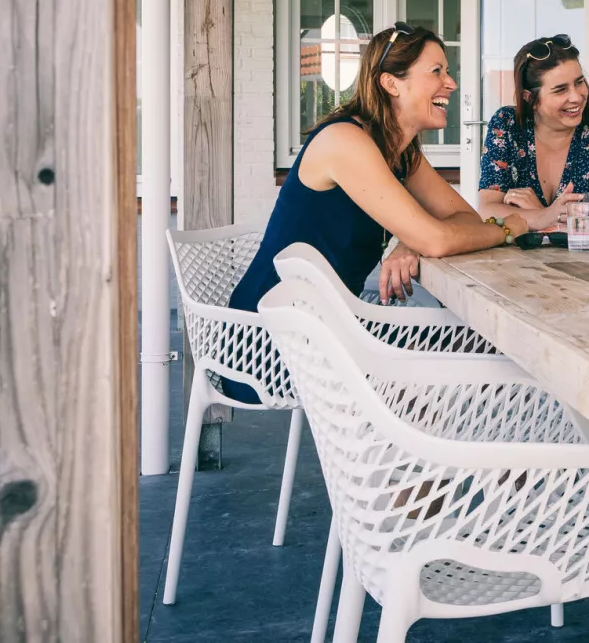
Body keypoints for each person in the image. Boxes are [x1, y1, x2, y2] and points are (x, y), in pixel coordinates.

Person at [226, 22, 529, 401]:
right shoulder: (345, 141)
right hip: (269, 343)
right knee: (461, 357)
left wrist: (409, 241)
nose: (450, 83)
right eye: (436, 72)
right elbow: (439, 237)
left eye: (447, 72)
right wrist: (506, 228)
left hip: (333, 328)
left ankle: (438, 454)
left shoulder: (400, 152)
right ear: (391, 84)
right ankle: (431, 455)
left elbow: (462, 220)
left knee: (469, 346)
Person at [477, 34, 589, 231]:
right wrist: (544, 216)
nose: (576, 97)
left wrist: (565, 214)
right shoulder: (507, 124)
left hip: (587, 259)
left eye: (579, 82)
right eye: (560, 90)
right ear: (530, 98)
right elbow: (487, 210)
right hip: (518, 258)